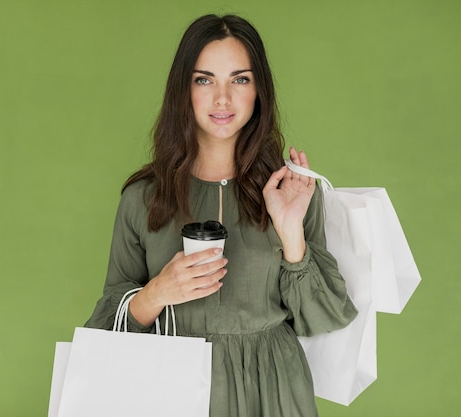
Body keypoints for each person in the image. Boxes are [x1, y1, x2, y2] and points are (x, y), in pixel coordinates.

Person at [85, 14, 357, 417]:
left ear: (259, 90)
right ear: (184, 90)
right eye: (204, 79)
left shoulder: (291, 192)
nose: (222, 99)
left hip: (274, 391)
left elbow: (323, 319)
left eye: (240, 79)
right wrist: (157, 292)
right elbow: (104, 334)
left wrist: (289, 232)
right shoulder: (143, 198)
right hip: (173, 390)